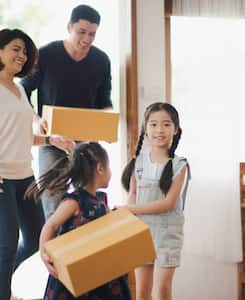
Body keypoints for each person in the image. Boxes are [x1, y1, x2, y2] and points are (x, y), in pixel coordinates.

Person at [0, 28, 74, 300]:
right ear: (0, 51)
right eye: (15, 48)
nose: (21, 55)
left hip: (24, 175)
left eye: (25, 51)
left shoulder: (19, 90)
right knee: (6, 244)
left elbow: (21, 136)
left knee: (34, 240)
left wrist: (51, 140)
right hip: (3, 179)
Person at [21, 4, 113, 219]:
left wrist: (108, 126)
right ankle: (54, 250)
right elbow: (23, 89)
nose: (87, 39)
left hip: (87, 144)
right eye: (82, 32)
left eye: (92, 34)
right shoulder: (45, 55)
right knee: (54, 205)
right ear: (69, 27)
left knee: (88, 204)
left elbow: (105, 102)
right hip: (53, 141)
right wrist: (36, 119)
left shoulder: (101, 60)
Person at [25, 142, 131, 300]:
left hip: (99, 270)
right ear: (100, 168)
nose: (110, 172)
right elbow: (51, 225)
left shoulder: (101, 200)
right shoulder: (74, 201)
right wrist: (44, 253)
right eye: (108, 168)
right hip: (76, 271)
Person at [120, 102, 191, 300]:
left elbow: (168, 204)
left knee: (162, 290)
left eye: (166, 124)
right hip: (141, 232)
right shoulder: (138, 162)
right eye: (153, 124)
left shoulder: (180, 165)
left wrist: (131, 209)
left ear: (175, 130)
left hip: (167, 234)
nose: (159, 130)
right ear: (146, 129)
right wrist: (128, 211)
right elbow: (133, 193)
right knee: (142, 292)